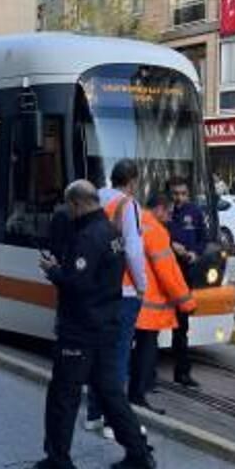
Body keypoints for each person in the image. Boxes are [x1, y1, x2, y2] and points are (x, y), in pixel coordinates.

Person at [24, 181, 155, 469]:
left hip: (80, 329)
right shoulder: (112, 232)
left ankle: (58, 462)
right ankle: (139, 454)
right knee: (110, 393)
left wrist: (53, 271)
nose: (67, 213)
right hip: (107, 325)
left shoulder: (87, 236)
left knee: (63, 394)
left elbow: (78, 285)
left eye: (69, 207)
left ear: (77, 204)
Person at [84, 159, 148, 434]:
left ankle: (93, 414)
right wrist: (142, 284)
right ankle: (113, 420)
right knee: (119, 355)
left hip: (96, 289)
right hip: (123, 290)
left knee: (98, 353)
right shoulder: (128, 205)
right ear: (132, 181)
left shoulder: (95, 198)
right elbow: (133, 250)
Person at [130, 193, 197, 411]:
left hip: (130, 298)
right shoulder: (157, 231)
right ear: (159, 209)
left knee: (131, 349)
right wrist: (186, 302)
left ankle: (134, 393)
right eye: (168, 212)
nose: (170, 217)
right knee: (147, 351)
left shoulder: (133, 221)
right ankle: (138, 396)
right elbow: (167, 271)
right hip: (150, 306)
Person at [166, 176, 207, 388]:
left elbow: (203, 239)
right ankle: (145, 375)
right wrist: (170, 245)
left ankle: (182, 373)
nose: (179, 198)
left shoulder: (195, 212)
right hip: (162, 276)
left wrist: (193, 254)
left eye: (183, 193)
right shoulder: (163, 213)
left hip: (185, 274)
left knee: (182, 326)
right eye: (175, 194)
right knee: (150, 326)